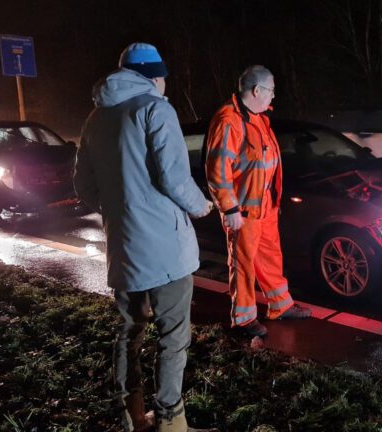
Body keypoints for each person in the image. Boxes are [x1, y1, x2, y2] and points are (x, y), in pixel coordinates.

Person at [74, 42, 213, 432]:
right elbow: (174, 177)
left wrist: (120, 210)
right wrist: (200, 206)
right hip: (166, 249)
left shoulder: (95, 118)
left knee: (129, 332)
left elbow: (83, 185)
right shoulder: (155, 109)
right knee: (173, 336)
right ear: (154, 76)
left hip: (124, 247)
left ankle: (131, 416)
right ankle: (170, 420)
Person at [205, 65, 311, 338]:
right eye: (271, 91)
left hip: (264, 206)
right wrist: (229, 208)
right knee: (242, 263)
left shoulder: (258, 119)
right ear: (256, 90)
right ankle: (243, 320)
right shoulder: (229, 120)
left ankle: (280, 305)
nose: (273, 96)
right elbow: (217, 170)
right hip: (243, 210)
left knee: (270, 256)